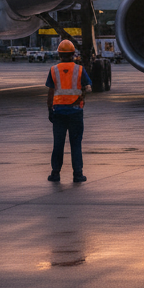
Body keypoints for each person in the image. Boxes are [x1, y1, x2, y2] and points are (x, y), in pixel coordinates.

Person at [46, 38, 93, 182]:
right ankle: (77, 174)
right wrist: (81, 98)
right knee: (76, 144)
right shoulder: (79, 69)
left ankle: (55, 173)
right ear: (73, 54)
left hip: (59, 112)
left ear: (59, 54)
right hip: (75, 112)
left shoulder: (54, 70)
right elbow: (88, 88)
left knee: (58, 144)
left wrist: (49, 109)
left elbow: (51, 92)